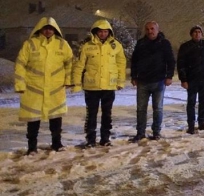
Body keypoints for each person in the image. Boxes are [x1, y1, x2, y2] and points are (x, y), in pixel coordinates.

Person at [14, 17, 74, 154]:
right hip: (34, 88)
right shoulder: (30, 44)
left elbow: (70, 63)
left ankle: (57, 144)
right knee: (33, 119)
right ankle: (32, 147)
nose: (48, 31)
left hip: (55, 88)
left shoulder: (62, 45)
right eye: (46, 28)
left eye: (51, 28)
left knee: (56, 119)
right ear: (40, 29)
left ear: (55, 30)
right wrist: (20, 84)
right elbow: (20, 64)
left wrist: (68, 80)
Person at [71, 19, 126, 147]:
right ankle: (90, 140)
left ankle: (105, 138)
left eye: (105, 31)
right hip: (92, 86)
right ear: (95, 32)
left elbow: (121, 64)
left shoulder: (116, 45)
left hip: (109, 86)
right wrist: (77, 83)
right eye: (100, 31)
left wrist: (120, 82)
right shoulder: (87, 46)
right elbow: (79, 65)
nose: (103, 34)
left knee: (107, 114)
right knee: (91, 114)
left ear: (109, 32)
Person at [130, 21, 175, 141]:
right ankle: (140, 133)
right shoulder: (141, 44)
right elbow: (134, 61)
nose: (150, 31)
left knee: (158, 109)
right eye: (147, 29)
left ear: (157, 30)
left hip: (159, 81)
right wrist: (134, 76)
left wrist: (169, 76)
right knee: (141, 109)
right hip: (142, 81)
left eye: (152, 29)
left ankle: (156, 132)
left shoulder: (164, 43)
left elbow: (170, 60)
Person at [177, 25, 204, 134]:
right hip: (191, 79)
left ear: (202, 34)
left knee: (203, 102)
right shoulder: (185, 47)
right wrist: (183, 79)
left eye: (199, 32)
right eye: (195, 32)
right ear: (191, 34)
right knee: (191, 103)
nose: (197, 34)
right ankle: (191, 125)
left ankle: (201, 123)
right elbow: (181, 64)